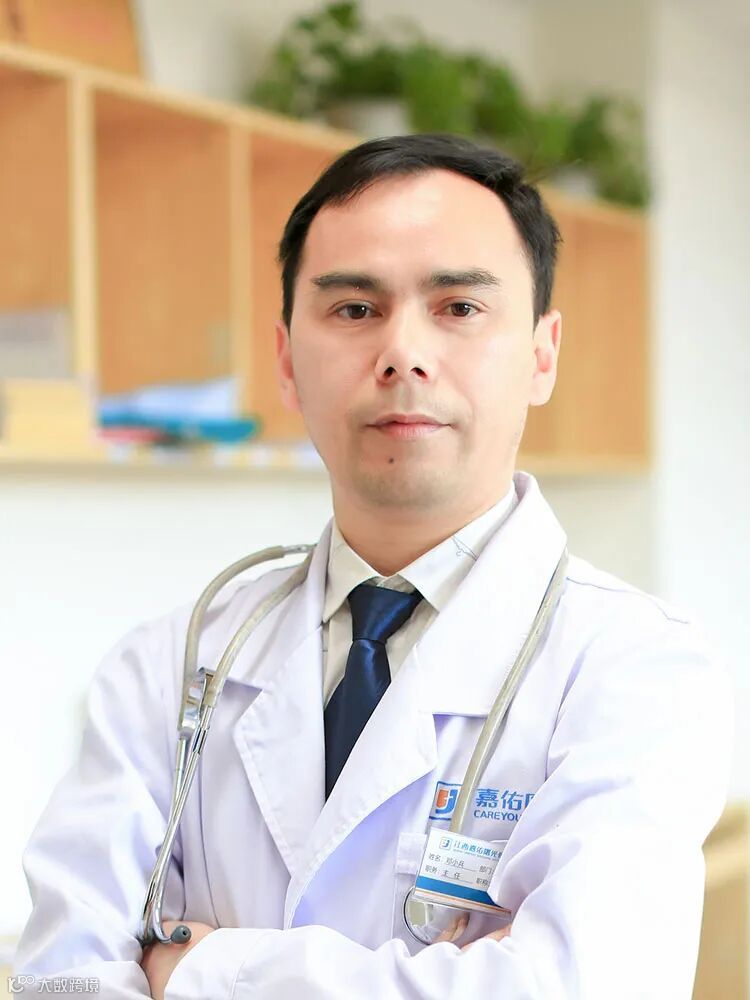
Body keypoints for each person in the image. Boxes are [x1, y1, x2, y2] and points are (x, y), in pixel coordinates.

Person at [14, 133, 732, 999]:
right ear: (287, 360)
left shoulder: (637, 668)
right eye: (355, 310)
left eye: (459, 307)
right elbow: (63, 978)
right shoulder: (171, 665)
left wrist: (200, 970)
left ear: (542, 354)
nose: (403, 353)